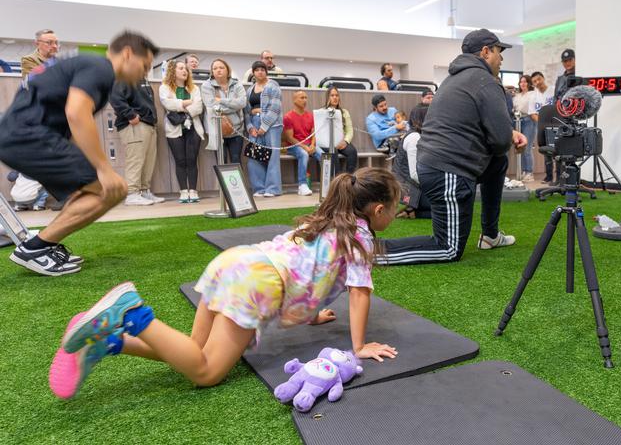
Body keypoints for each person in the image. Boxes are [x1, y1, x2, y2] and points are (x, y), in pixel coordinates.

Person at [48, 168, 400, 400]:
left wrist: (312, 315)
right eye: (395, 208)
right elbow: (358, 292)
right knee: (207, 373)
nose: (396, 214)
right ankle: (131, 313)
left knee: (191, 352)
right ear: (378, 210)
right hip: (256, 282)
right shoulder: (360, 235)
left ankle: (108, 342)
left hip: (236, 262)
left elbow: (308, 271)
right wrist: (359, 346)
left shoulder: (326, 220)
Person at [0, 31, 158, 276]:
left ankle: (44, 245)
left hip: (21, 135)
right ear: (127, 54)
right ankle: (35, 249)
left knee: (91, 188)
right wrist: (104, 169)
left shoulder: (83, 64)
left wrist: (89, 165)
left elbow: (70, 120)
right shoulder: (100, 67)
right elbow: (76, 113)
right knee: (110, 189)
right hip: (29, 136)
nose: (145, 72)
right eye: (145, 65)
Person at [383, 28, 527, 264]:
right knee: (448, 248)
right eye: (499, 52)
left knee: (498, 162)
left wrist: (508, 133)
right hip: (447, 172)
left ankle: (490, 236)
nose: (501, 59)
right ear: (485, 52)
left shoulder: (453, 79)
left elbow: (470, 124)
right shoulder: (487, 82)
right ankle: (370, 253)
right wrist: (507, 137)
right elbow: (500, 141)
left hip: (434, 166)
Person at [110, 56, 163, 207]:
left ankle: (145, 191)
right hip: (134, 125)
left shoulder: (142, 79)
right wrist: (131, 115)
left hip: (148, 124)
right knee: (135, 160)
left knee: (148, 161)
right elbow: (115, 98)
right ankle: (132, 194)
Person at [159, 60, 205, 203]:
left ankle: (193, 190)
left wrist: (179, 106)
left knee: (192, 161)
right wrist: (186, 103)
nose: (184, 71)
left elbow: (199, 107)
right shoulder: (165, 87)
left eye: (185, 69)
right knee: (180, 161)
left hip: (193, 128)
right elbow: (167, 104)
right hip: (174, 129)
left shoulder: (194, 88)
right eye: (180, 68)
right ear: (173, 71)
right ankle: (183, 191)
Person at [244, 61, 284, 197]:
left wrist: (264, 126)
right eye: (257, 70)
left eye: (262, 69)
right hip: (254, 124)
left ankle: (272, 189)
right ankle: (259, 188)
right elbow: (246, 111)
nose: (260, 72)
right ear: (253, 73)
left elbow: (275, 108)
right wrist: (250, 127)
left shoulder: (273, 86)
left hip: (272, 125)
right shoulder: (249, 89)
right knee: (254, 156)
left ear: (266, 71)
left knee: (273, 157)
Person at [201, 58, 247, 164]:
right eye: (215, 68)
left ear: (227, 70)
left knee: (236, 161)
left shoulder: (237, 84)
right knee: (221, 163)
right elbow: (212, 106)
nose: (218, 70)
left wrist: (221, 100)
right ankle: (222, 182)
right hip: (216, 130)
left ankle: (238, 182)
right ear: (212, 72)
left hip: (237, 130)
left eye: (221, 67)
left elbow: (242, 103)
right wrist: (234, 106)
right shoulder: (206, 85)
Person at [392, 105, 431, 219]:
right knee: (445, 208)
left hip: (411, 187)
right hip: (409, 191)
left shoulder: (416, 134)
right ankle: (413, 212)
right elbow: (414, 175)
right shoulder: (414, 137)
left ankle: (412, 210)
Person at [283, 90, 321, 196]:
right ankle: (302, 185)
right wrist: (304, 147)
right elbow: (289, 138)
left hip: (309, 145)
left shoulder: (310, 116)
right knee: (303, 154)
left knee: (324, 155)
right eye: (301, 98)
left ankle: (328, 183)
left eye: (306, 98)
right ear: (294, 100)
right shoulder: (288, 117)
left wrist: (313, 145)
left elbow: (313, 133)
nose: (305, 100)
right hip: (294, 146)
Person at [323, 86, 358, 174]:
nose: (335, 97)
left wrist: (345, 141)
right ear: (328, 97)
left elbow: (349, 131)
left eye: (337, 95)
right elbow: (321, 131)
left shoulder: (344, 112)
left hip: (342, 141)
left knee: (352, 151)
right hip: (328, 142)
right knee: (333, 151)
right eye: (332, 95)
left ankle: (349, 179)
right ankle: (337, 179)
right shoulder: (322, 112)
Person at [530, 71, 555, 183]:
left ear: (543, 78)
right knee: (547, 153)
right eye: (534, 81)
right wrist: (542, 123)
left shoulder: (554, 90)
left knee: (559, 151)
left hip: (556, 125)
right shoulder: (533, 96)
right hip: (543, 128)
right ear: (533, 84)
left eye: (539, 79)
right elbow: (532, 113)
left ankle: (560, 177)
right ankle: (549, 176)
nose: (538, 82)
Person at [513, 74, 536, 181]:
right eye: (521, 82)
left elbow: (529, 108)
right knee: (520, 146)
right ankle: (523, 171)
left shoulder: (532, 94)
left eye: (525, 81)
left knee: (527, 148)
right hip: (518, 121)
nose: (523, 83)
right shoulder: (517, 95)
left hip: (529, 120)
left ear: (529, 83)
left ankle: (529, 172)